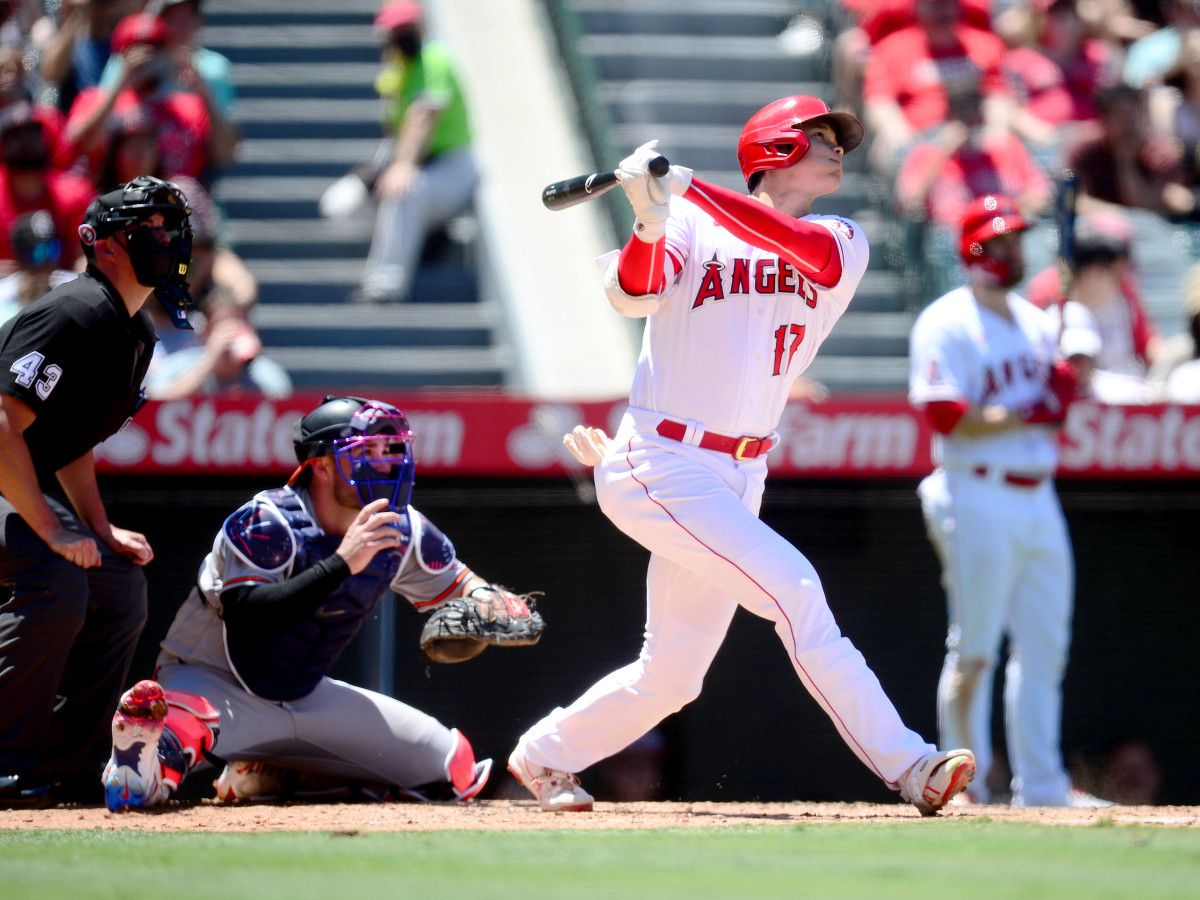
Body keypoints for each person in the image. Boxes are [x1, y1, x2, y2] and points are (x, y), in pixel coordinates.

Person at [506, 95, 977, 816]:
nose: (837, 148)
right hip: (662, 458)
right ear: (776, 146)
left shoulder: (842, 236)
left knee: (672, 676)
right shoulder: (690, 223)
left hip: (739, 472)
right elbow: (634, 294)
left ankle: (542, 757)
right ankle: (911, 765)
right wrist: (652, 219)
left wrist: (690, 189)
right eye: (820, 136)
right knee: (796, 589)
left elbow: (806, 253)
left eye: (838, 138)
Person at [101, 396, 544, 810]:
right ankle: (143, 764)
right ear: (322, 466)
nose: (386, 464)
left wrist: (491, 602)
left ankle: (277, 772)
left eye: (391, 450)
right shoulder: (266, 520)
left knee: (452, 768)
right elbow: (249, 620)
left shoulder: (402, 528)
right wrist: (342, 563)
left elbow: (464, 582)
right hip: (214, 682)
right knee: (176, 734)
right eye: (367, 452)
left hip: (303, 694)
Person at [907, 194, 1110, 807]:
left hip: (1037, 494)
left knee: (1045, 646)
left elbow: (1065, 396)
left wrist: (1070, 381)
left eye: (1017, 239)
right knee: (974, 649)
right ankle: (966, 786)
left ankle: (1042, 786)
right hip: (977, 491)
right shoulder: (946, 321)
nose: (1012, 250)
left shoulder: (1037, 319)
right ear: (973, 248)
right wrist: (1032, 406)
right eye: (1000, 241)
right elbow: (948, 415)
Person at [0, 174, 195, 809]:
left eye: (171, 229)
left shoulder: (134, 332)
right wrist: (55, 530)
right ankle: (5, 759)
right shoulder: (75, 310)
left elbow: (71, 438)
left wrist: (96, 528)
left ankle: (65, 764)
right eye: (151, 229)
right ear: (104, 243)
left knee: (118, 583)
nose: (167, 240)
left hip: (16, 482)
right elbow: (3, 418)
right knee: (55, 576)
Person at [320, 1, 479, 304]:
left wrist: (403, 165)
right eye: (394, 30)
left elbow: (424, 116)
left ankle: (386, 284)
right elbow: (393, 130)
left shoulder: (436, 57)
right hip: (414, 166)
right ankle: (425, 235)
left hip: (452, 166)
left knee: (405, 190)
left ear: (420, 26)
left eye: (405, 28)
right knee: (341, 205)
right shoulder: (400, 68)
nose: (399, 36)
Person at [861, 0, 1011, 173]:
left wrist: (996, 132)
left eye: (947, 3)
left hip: (976, 137)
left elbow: (998, 97)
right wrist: (901, 137)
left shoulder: (986, 45)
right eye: (934, 3)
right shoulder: (892, 49)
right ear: (917, 7)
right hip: (921, 139)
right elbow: (880, 103)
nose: (942, 9)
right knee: (888, 149)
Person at [0, 209, 78, 326]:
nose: (46, 264)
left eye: (53, 250)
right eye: (37, 253)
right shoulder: (2, 300)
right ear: (17, 256)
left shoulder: (75, 290)